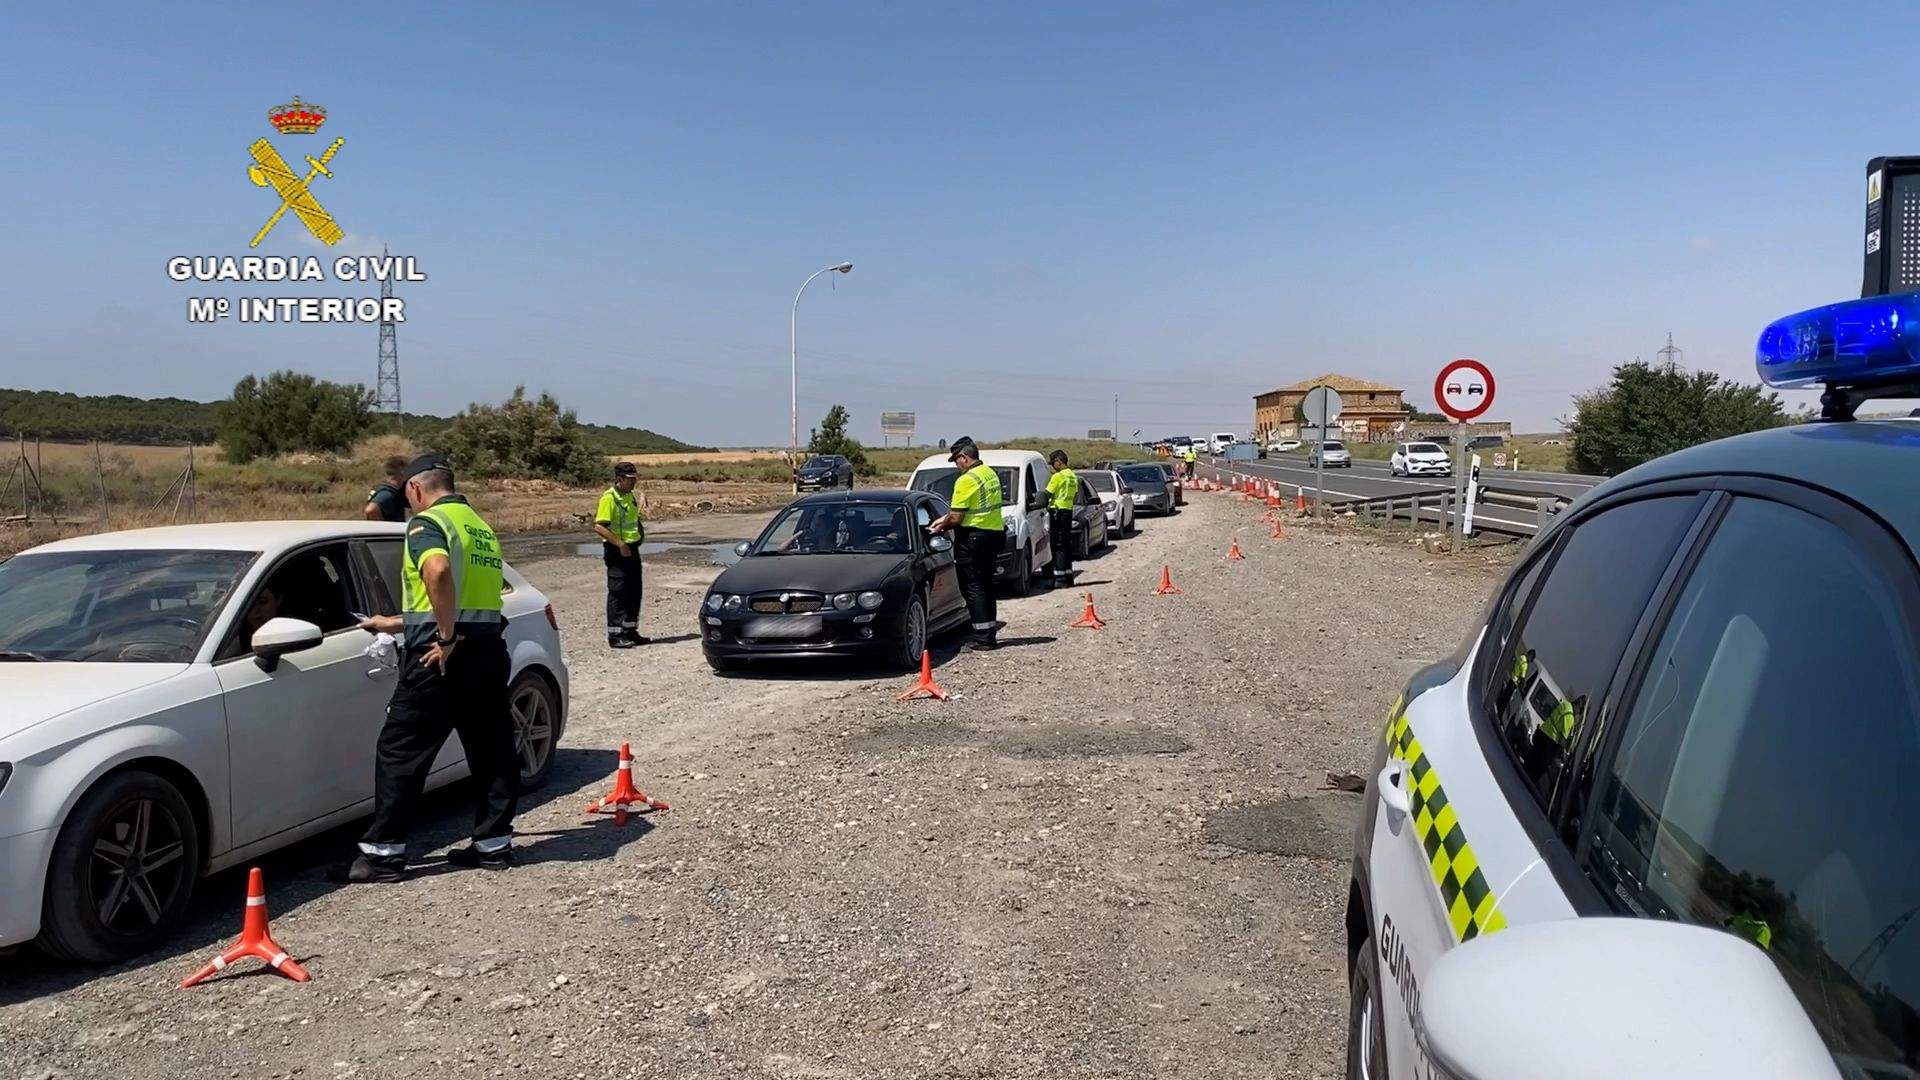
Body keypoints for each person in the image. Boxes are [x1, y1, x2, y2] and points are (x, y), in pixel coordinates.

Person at [339, 454, 518, 882]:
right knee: (492, 749)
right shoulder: (478, 527)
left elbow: (437, 573)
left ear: (416, 489)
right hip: (487, 652)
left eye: (409, 498)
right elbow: (463, 599)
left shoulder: (427, 524)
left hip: (441, 658)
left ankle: (383, 855)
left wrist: (446, 638)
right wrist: (397, 622)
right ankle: (493, 845)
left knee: (401, 750)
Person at [928, 436, 1002, 650]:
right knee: (986, 585)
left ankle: (983, 638)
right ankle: (989, 633)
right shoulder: (989, 473)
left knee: (973, 587)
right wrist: (945, 518)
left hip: (973, 538)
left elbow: (957, 517)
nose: (956, 465)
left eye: (956, 460)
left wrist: (941, 526)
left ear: (964, 457)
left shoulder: (966, 480)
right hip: (993, 535)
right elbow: (970, 509)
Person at [594, 461, 648, 648]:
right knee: (618, 591)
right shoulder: (609, 498)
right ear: (619, 479)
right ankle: (615, 634)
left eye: (635, 478)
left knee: (634, 589)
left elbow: (633, 519)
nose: (634, 482)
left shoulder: (629, 495)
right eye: (630, 479)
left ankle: (630, 630)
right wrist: (620, 544)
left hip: (632, 548)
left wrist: (640, 535)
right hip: (616, 550)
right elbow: (599, 526)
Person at [1045, 449, 1078, 587]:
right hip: (1068, 512)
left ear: (1058, 461)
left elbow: (1047, 494)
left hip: (1057, 513)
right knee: (1065, 545)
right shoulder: (1073, 476)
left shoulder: (1057, 477)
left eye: (1053, 463)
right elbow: (1075, 496)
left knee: (1058, 546)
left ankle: (1059, 579)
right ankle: (1068, 577)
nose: (1053, 467)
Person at [363, 456, 409, 522]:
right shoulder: (388, 493)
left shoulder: (383, 488)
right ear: (402, 472)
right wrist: (382, 527)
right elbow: (371, 510)